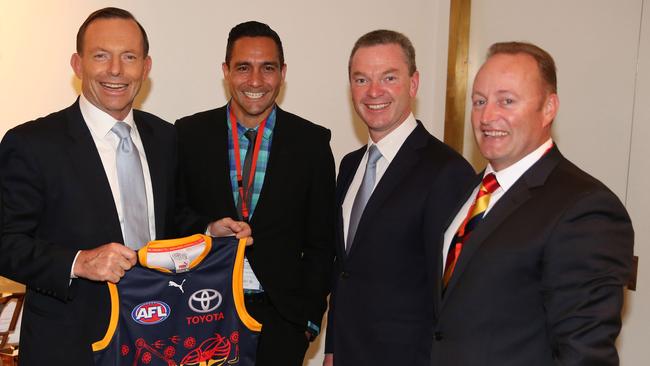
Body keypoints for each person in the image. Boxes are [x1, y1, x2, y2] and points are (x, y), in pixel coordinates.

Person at [0, 8, 249, 365]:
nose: (115, 70)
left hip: (159, 339)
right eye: (101, 56)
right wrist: (78, 262)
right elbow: (7, 242)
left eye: (128, 57)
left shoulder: (164, 136)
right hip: (70, 347)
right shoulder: (31, 143)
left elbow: (168, 219)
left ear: (146, 68)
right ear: (77, 64)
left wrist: (210, 230)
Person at [430, 42, 634, 366]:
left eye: (506, 101)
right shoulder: (472, 190)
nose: (487, 116)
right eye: (479, 101)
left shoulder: (586, 209)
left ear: (549, 107)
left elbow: (584, 354)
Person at [175, 21, 336, 366]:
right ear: (226, 71)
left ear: (283, 73)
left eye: (268, 68)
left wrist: (307, 321)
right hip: (203, 314)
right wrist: (207, 228)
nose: (256, 81)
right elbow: (172, 217)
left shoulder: (312, 143)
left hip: (282, 321)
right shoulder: (188, 135)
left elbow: (323, 243)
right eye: (243, 68)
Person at [323, 30, 475, 366]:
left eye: (388, 77)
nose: (374, 91)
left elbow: (453, 294)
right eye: (361, 79)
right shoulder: (349, 166)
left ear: (414, 83)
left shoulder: (448, 172)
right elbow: (343, 271)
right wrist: (332, 348)